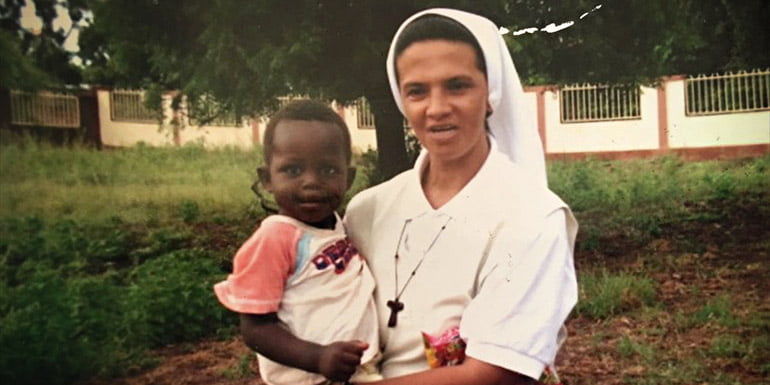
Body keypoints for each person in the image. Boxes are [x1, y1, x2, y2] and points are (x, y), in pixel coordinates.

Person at [344, 8, 578, 385]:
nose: (436, 109)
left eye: (457, 86)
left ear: (491, 93)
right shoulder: (366, 212)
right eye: (417, 91)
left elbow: (496, 374)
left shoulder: (533, 217)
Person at [214, 100, 381, 385]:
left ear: (349, 177)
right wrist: (318, 357)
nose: (311, 182)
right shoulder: (275, 238)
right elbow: (256, 329)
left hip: (355, 371)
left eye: (328, 170)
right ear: (267, 178)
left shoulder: (340, 225)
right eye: (293, 170)